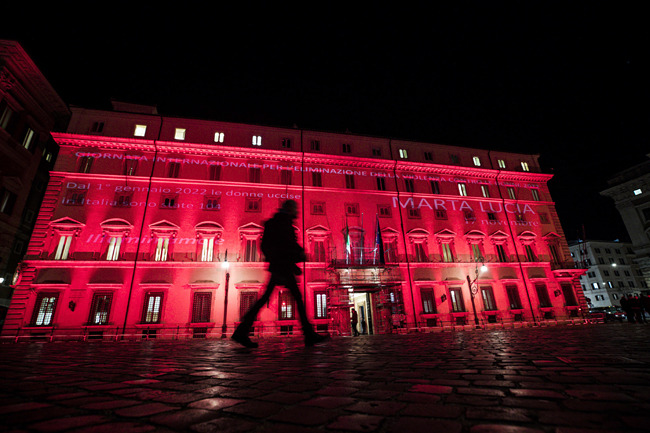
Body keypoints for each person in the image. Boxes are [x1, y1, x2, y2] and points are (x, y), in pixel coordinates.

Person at [231, 200, 329, 348]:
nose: (297, 212)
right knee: (295, 298)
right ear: (290, 210)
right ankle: (308, 334)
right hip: (282, 266)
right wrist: (298, 254)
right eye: (295, 209)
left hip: (280, 265)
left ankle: (241, 331)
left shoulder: (278, 222)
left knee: (270, 298)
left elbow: (276, 245)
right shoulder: (282, 224)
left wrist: (294, 254)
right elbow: (285, 245)